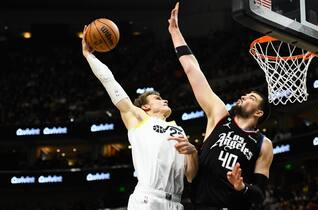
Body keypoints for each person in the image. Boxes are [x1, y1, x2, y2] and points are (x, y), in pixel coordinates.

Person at [168, 3, 273, 210]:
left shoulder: (263, 144)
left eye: (251, 97)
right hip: (201, 204)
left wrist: (242, 187)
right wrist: (175, 32)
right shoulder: (219, 115)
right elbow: (192, 70)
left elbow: (259, 194)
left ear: (259, 112)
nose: (244, 96)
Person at [81, 26, 198, 210]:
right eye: (158, 98)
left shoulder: (179, 130)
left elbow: (190, 176)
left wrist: (193, 153)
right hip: (147, 199)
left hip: (176, 203)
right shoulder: (139, 118)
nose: (165, 99)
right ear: (145, 106)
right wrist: (90, 56)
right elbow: (110, 82)